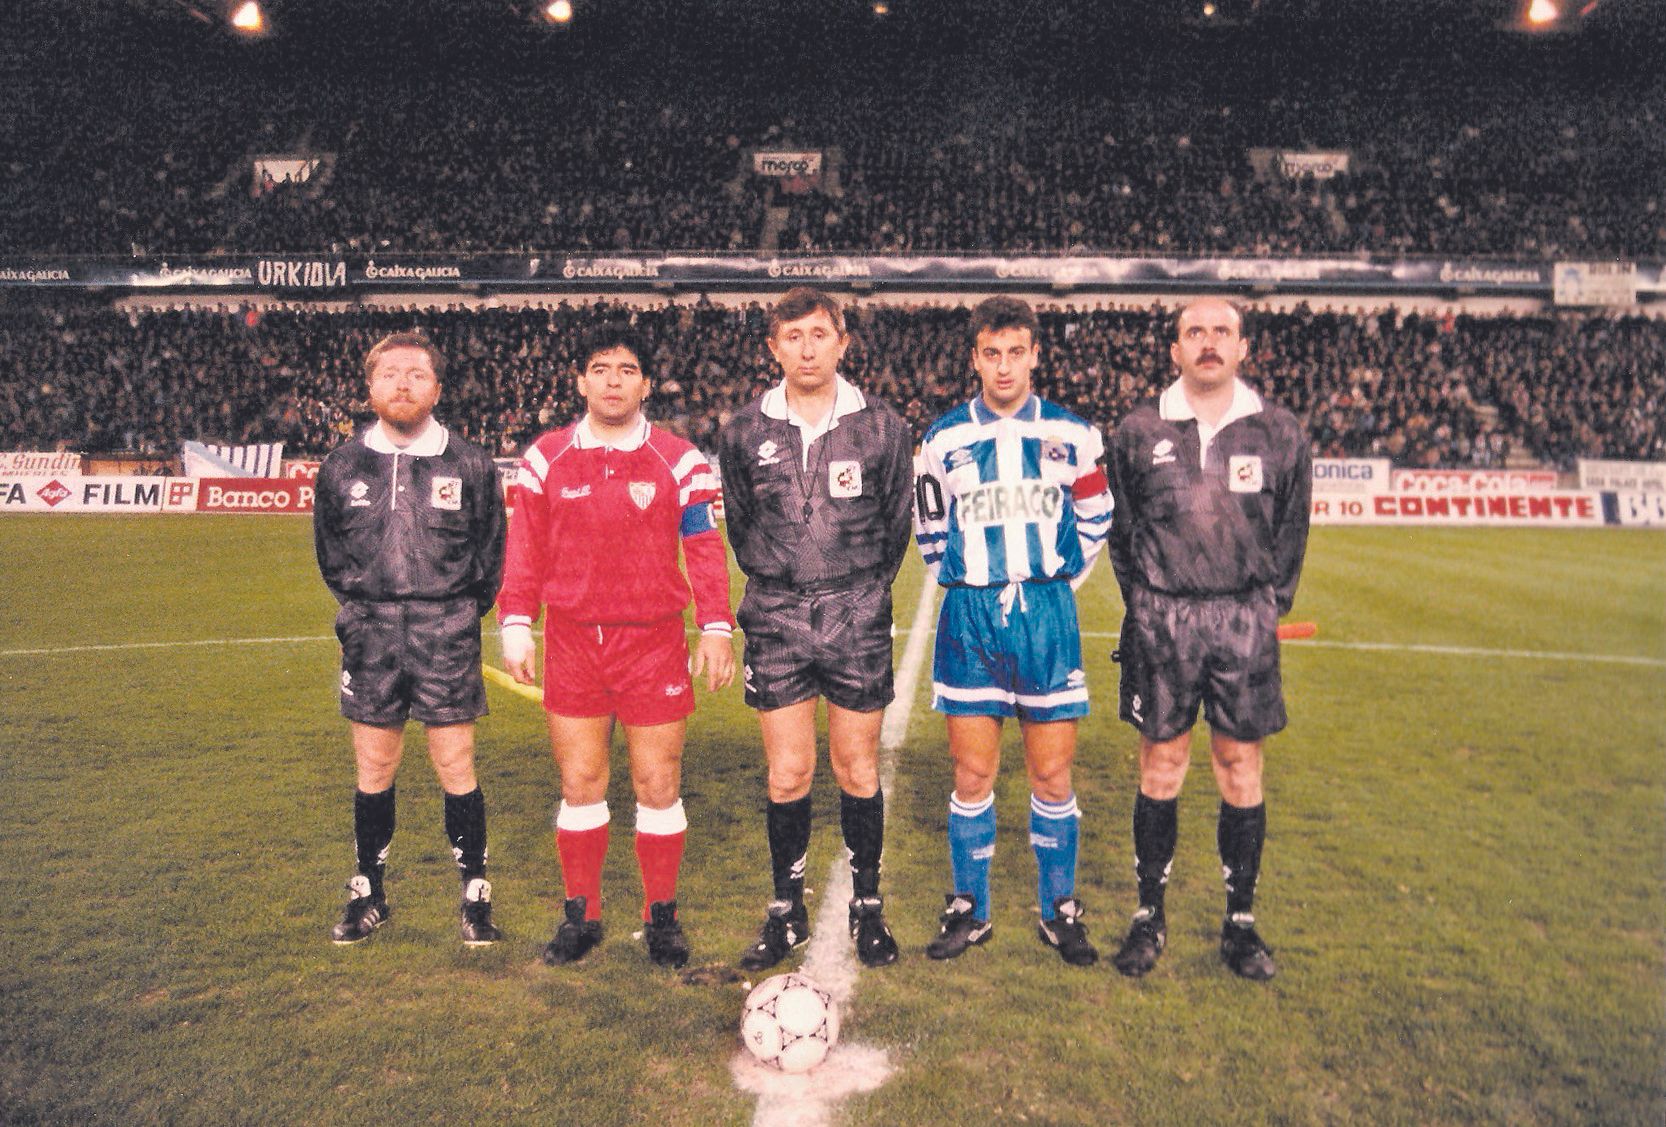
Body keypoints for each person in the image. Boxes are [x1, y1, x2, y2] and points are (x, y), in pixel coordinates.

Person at [498, 324, 735, 970]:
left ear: (646, 384)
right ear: (580, 381)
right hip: (574, 640)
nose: (611, 379)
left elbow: (704, 546)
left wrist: (716, 624)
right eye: (599, 367)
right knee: (580, 780)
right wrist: (516, 619)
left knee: (658, 780)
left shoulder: (679, 459)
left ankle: (662, 917)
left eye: (626, 369)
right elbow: (525, 547)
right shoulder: (546, 457)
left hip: (652, 641)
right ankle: (583, 914)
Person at [1105, 296, 1311, 981]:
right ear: (1176, 349)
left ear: (1243, 346)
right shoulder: (1138, 430)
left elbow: (1291, 534)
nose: (1209, 342)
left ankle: (1241, 923)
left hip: (1243, 623)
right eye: (1195, 332)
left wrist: (1261, 606)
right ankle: (1147, 914)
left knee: (1240, 768)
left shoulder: (1279, 431)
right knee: (1160, 767)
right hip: (1163, 620)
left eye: (1222, 331)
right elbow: (1123, 535)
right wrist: (1148, 601)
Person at [716, 287, 914, 971]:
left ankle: (868, 907)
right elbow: (740, 525)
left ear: (842, 341)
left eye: (819, 334)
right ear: (773, 346)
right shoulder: (743, 429)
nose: (806, 347)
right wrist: (785, 579)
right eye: (792, 336)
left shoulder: (882, 426)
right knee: (788, 770)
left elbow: (897, 527)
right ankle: (786, 909)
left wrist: (854, 588)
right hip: (775, 612)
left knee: (856, 765)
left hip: (856, 611)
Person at [913, 295, 1114, 967]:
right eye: (991, 353)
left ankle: (1060, 909)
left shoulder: (1075, 434)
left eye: (1016, 352)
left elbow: (1095, 519)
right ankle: (971, 907)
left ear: (1035, 354)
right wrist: (976, 576)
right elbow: (931, 531)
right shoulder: (942, 439)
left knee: (1052, 772)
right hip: (970, 618)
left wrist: (1055, 583)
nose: (1004, 366)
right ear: (975, 358)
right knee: (973, 770)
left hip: (1048, 618)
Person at [313, 330, 507, 947]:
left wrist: (451, 612)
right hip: (370, 632)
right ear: (370, 387)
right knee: (375, 765)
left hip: (446, 630)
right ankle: (368, 892)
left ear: (437, 389)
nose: (403, 383)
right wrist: (369, 607)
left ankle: (475, 894)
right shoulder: (343, 466)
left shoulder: (469, 462)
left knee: (455, 763)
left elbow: (491, 557)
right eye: (390, 373)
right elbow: (331, 556)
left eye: (416, 374)